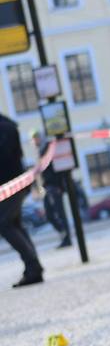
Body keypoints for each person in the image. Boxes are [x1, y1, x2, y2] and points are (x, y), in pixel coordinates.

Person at [3, 113, 43, 287]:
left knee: (4, 224)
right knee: (14, 224)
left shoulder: (4, 128)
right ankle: (33, 268)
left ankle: (33, 267)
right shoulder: (6, 125)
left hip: (10, 184)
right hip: (12, 184)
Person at [30, 131, 71, 249]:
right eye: (33, 139)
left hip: (54, 186)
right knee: (49, 215)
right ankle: (63, 234)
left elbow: (59, 168)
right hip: (46, 188)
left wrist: (59, 186)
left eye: (36, 138)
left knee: (60, 214)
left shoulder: (48, 148)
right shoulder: (39, 151)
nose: (35, 141)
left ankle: (67, 238)